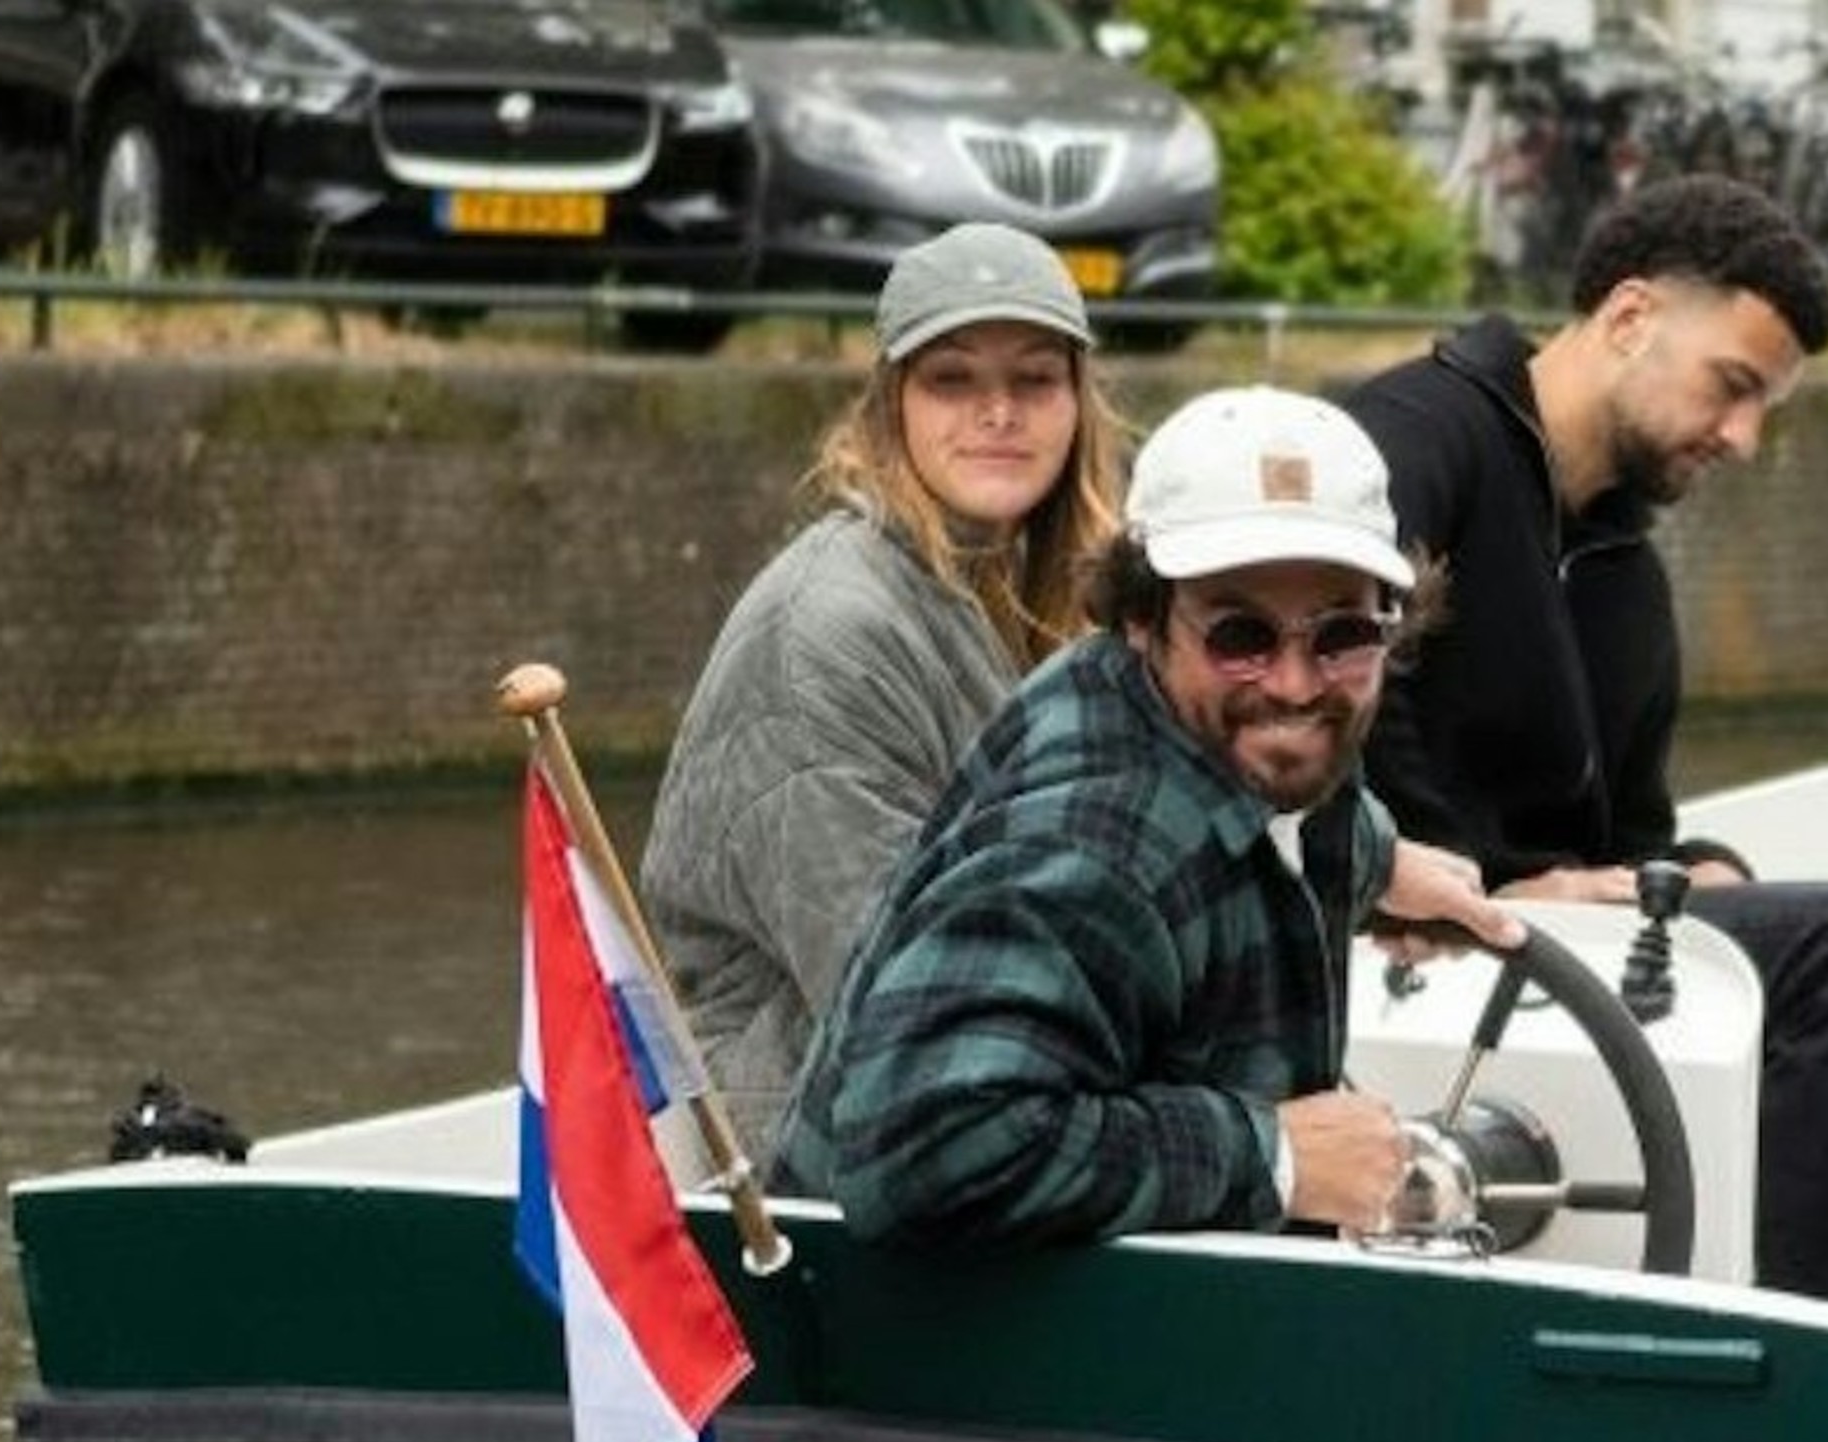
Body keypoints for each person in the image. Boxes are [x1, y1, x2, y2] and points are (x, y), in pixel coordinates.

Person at [1339, 174, 1828, 1298]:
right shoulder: (1414, 441)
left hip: (1562, 946)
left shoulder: (1623, 572)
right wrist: (1456, 883)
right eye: (1734, 387)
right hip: (1412, 937)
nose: (1746, 439)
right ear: (1631, 317)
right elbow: (1322, 694)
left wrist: (1688, 867)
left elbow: (1626, 833)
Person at [771, 386, 1523, 1249]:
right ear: (1142, 617)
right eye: (1240, 636)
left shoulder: (1215, 733)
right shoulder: (1086, 850)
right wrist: (1275, 1156)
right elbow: (918, 1147)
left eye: (1343, 634)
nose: (1294, 683)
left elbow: (1302, 800)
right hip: (926, 1368)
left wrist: (1378, 863)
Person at [636, 223, 1126, 1161]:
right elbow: (897, 985)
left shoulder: (1041, 589)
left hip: (978, 1067)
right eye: (953, 379)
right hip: (803, 1135)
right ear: (890, 403)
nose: (998, 412)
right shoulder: (829, 635)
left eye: (1034, 379)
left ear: (1077, 403)